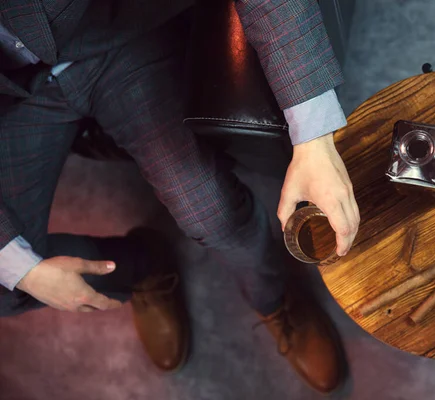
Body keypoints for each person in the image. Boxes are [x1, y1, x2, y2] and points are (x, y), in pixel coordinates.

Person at [0, 0, 359, 394]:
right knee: (8, 286)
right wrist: (21, 268)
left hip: (115, 42)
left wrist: (314, 138)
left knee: (212, 214)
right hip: (12, 97)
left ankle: (275, 300)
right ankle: (144, 266)